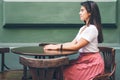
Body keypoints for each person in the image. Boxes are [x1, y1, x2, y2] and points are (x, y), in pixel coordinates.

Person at [44, 1, 104, 80]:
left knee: (65, 72)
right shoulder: (83, 28)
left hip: (92, 63)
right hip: (83, 60)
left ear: (90, 13)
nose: (79, 13)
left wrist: (56, 48)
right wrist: (55, 46)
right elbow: (72, 43)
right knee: (60, 69)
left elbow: (76, 47)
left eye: (82, 10)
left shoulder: (92, 29)